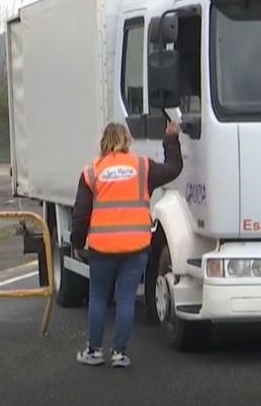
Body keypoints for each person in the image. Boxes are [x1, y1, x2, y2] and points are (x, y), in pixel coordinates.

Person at [72, 120, 183, 368]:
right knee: (125, 298)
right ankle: (120, 353)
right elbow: (173, 168)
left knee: (99, 298)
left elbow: (80, 214)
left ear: (103, 142)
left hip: (102, 248)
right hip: (135, 246)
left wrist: (78, 243)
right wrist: (171, 139)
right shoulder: (142, 167)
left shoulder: (92, 171)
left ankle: (94, 351)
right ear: (127, 141)